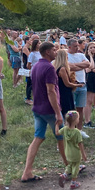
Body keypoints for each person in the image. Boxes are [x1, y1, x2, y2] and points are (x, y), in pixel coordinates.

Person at [21, 42, 67, 182]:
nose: (56, 51)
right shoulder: (49, 68)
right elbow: (50, 91)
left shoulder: (36, 66)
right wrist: (57, 112)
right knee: (62, 136)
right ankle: (69, 166)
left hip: (37, 108)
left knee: (38, 138)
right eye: (54, 49)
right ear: (47, 52)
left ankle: (27, 171)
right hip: (50, 110)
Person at [57, 111, 87, 190]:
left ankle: (64, 175)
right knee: (76, 167)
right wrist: (83, 155)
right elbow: (80, 144)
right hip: (76, 153)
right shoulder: (77, 132)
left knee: (70, 165)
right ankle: (73, 183)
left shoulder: (65, 129)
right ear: (76, 121)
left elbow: (57, 133)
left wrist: (56, 125)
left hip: (68, 152)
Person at [67, 39, 91, 138]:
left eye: (77, 46)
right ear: (69, 47)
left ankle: (79, 130)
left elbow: (87, 64)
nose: (77, 48)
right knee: (71, 109)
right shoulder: (66, 55)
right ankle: (71, 129)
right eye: (75, 46)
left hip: (82, 84)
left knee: (80, 108)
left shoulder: (81, 55)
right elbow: (69, 67)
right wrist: (80, 66)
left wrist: (75, 66)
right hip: (72, 85)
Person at [54, 49, 82, 117]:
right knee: (68, 112)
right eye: (66, 55)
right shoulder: (62, 69)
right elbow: (67, 84)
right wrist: (78, 85)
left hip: (59, 92)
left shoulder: (55, 68)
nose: (67, 57)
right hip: (65, 93)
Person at [83, 42, 95, 128]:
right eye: (91, 47)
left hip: (94, 79)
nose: (93, 49)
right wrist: (90, 56)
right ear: (88, 49)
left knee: (90, 101)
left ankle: (88, 119)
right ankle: (86, 121)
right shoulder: (86, 58)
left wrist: (93, 69)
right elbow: (89, 68)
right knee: (88, 101)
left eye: (94, 47)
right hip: (88, 79)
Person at [25, 39, 41, 106]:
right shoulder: (32, 54)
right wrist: (32, 69)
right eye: (39, 43)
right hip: (34, 70)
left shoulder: (40, 53)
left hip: (40, 70)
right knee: (31, 85)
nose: (40, 44)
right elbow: (28, 64)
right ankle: (28, 98)